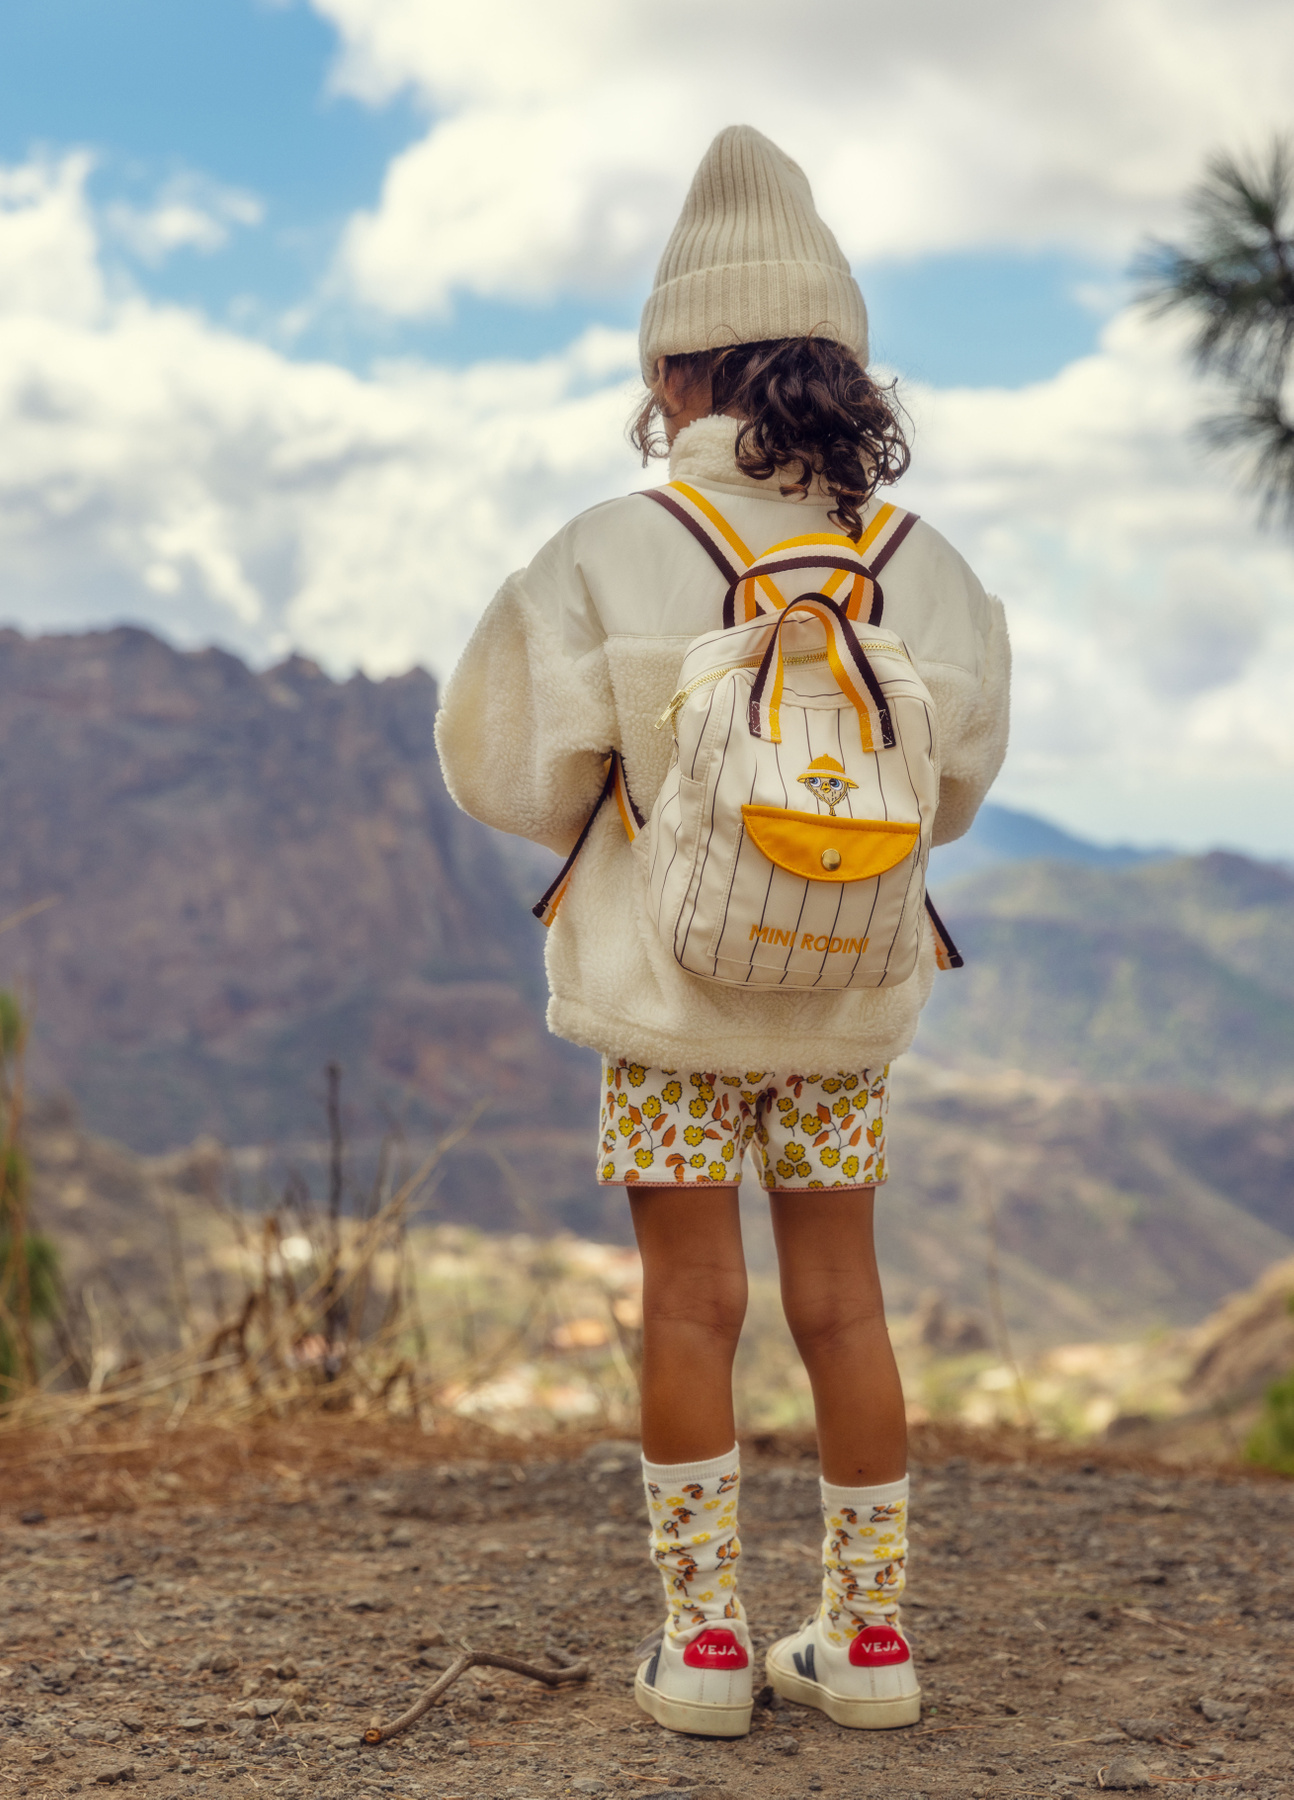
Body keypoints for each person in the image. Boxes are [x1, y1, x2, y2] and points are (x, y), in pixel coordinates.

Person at [436, 125, 1010, 1738]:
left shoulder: (607, 551)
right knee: (846, 1304)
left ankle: (701, 1648)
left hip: (665, 1003)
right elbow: (950, 797)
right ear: (839, 373)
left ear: (673, 372)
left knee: (689, 1303)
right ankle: (868, 1645)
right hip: (844, 1008)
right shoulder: (929, 574)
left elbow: (498, 767)